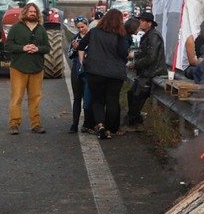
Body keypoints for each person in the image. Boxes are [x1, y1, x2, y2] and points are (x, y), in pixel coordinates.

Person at [81, 8, 130, 139]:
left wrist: (81, 55)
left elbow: (82, 45)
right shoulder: (121, 35)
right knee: (112, 100)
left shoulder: (94, 32)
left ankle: (100, 125)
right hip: (115, 72)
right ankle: (111, 129)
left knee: (98, 100)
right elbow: (123, 53)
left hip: (95, 71)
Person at [5, 2, 51, 135]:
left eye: (35, 12)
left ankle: (36, 124)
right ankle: (14, 124)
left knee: (35, 98)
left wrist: (38, 49)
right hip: (19, 68)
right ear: (25, 13)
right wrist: (22, 48)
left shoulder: (41, 29)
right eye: (30, 11)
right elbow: (8, 46)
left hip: (37, 68)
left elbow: (47, 47)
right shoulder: (16, 28)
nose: (32, 13)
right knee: (17, 97)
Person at [126, 11, 166, 129]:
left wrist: (136, 65)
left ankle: (132, 123)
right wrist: (135, 54)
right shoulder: (147, 35)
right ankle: (136, 120)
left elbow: (151, 57)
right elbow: (144, 52)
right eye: (140, 20)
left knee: (137, 97)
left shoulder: (154, 36)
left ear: (150, 23)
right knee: (131, 94)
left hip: (152, 72)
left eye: (143, 21)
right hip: (146, 72)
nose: (140, 23)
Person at [67, 17, 92, 133]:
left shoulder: (93, 37)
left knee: (88, 97)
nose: (81, 29)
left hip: (89, 69)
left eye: (83, 27)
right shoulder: (75, 38)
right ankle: (74, 124)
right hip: (77, 69)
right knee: (77, 97)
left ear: (87, 25)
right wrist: (76, 49)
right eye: (79, 28)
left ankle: (87, 123)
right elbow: (70, 54)